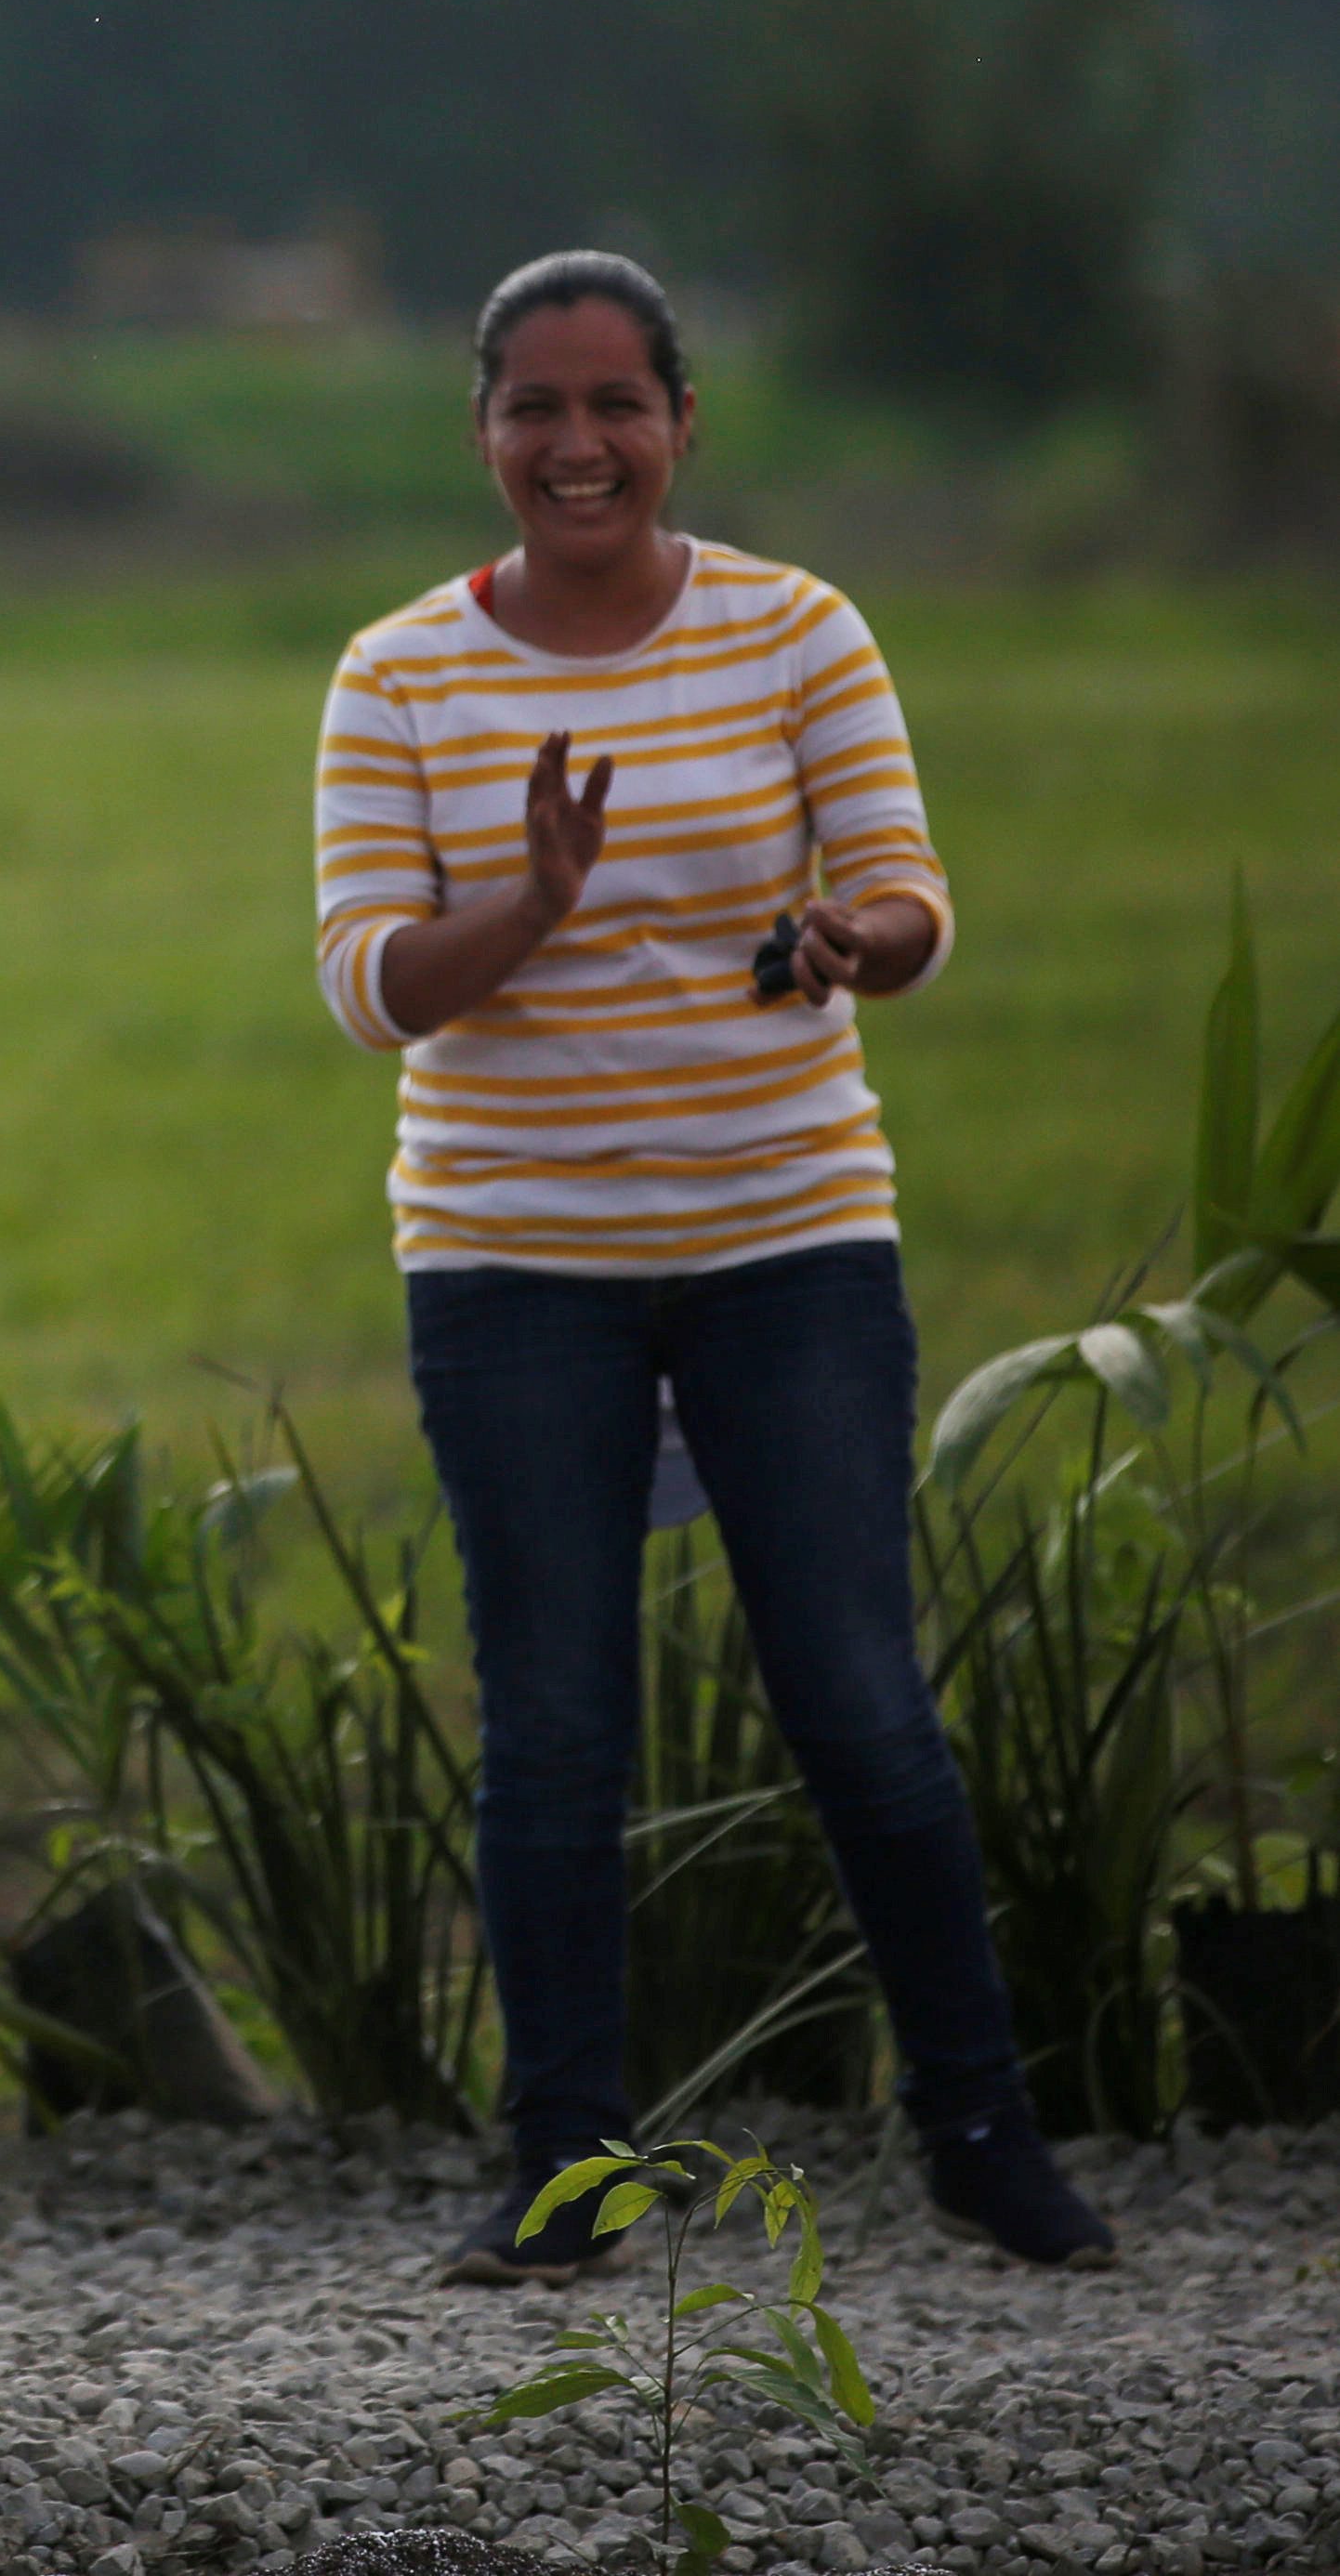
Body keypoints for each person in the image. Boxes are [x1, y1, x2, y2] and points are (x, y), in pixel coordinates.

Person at [313, 249, 1115, 2279]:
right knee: (554, 1719)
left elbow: (910, 888)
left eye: (616, 405)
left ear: (680, 423)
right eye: (532, 409)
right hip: (511, 1265)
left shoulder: (795, 631)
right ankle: (569, 2161)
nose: (575, 446)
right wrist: (533, 905)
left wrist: (863, 942)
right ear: (479, 432)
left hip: (790, 1241)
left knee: (857, 1699)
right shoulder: (398, 672)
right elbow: (367, 990)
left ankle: (975, 2126)